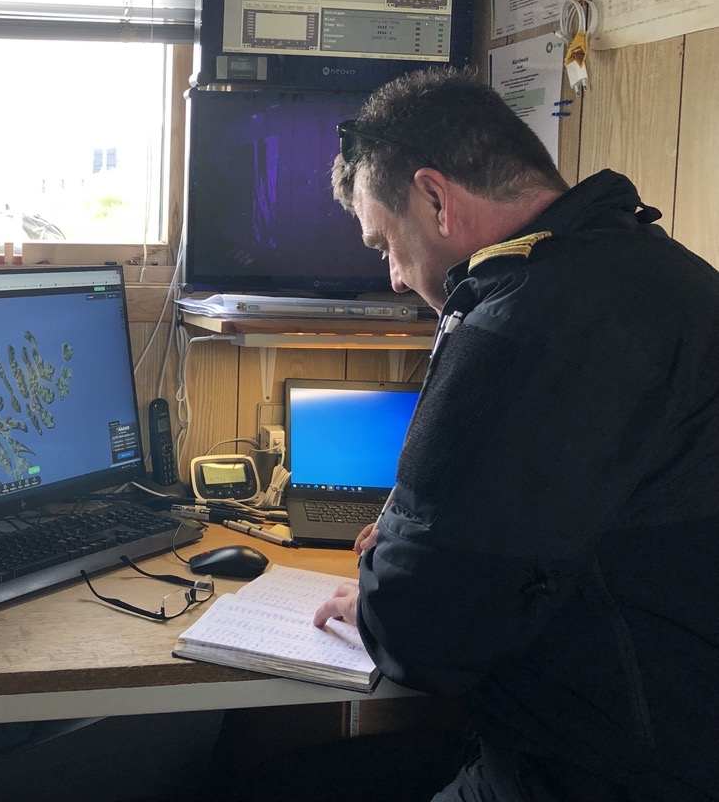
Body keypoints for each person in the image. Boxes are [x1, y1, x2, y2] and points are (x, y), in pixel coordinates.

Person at [268, 66, 719, 801]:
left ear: (435, 199)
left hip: (599, 767)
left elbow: (424, 637)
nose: (390, 276)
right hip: (670, 722)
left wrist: (376, 606)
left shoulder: (518, 326)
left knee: (277, 785)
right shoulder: (662, 273)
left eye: (383, 243)